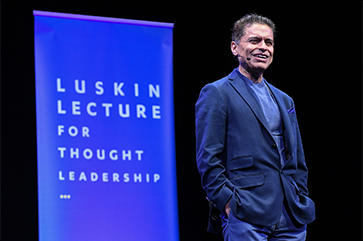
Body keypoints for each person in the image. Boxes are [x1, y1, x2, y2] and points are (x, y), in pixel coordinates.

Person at [195, 13, 315, 240]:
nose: (263, 47)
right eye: (254, 40)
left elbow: (297, 158)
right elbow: (207, 158)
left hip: (291, 215)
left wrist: (300, 194)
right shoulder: (218, 93)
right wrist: (227, 202)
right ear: (234, 47)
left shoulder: (285, 99)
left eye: (268, 42)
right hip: (246, 212)